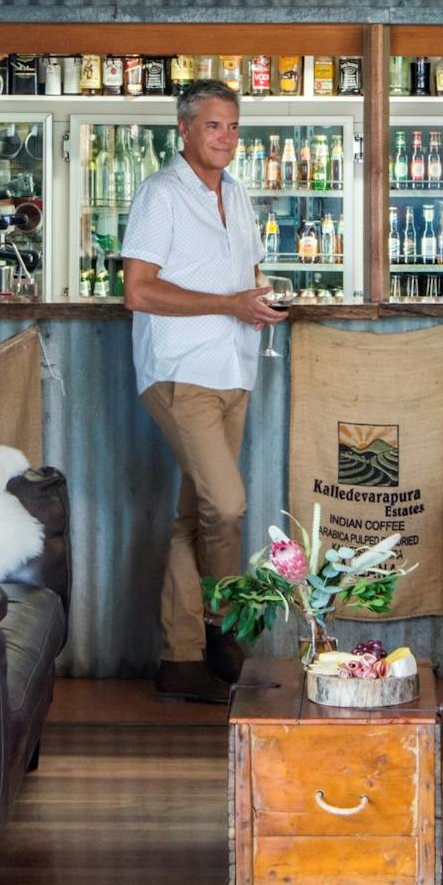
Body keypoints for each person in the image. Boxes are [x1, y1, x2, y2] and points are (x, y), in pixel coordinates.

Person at [122, 78, 287, 704]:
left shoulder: (238, 195)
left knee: (195, 516)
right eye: (213, 125)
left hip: (235, 368)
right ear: (185, 129)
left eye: (234, 126)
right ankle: (224, 631)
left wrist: (259, 299)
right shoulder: (160, 193)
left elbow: (243, 274)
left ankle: (180, 660)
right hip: (179, 370)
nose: (226, 137)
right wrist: (228, 302)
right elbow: (138, 291)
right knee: (228, 505)